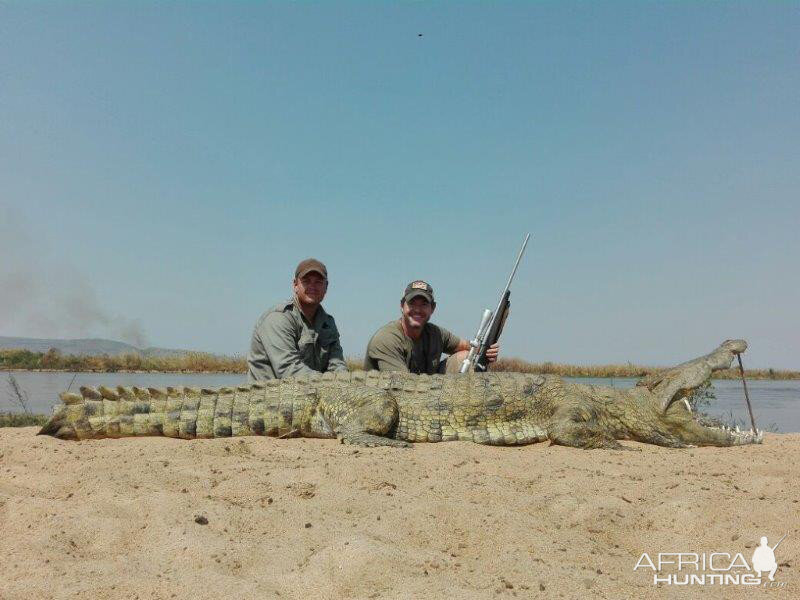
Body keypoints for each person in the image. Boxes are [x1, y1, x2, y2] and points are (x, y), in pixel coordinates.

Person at [364, 280, 499, 374]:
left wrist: (487, 351)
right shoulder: (386, 339)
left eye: (424, 304)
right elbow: (401, 389)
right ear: (402, 306)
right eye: (412, 303)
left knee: (466, 358)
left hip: (425, 395)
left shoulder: (436, 334)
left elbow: (470, 347)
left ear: (432, 308)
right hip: (387, 403)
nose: (417, 309)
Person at [247, 258, 347, 381]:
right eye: (306, 281)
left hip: (308, 392)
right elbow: (288, 370)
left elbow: (337, 365)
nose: (312, 286)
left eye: (318, 282)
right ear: (295, 285)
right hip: (268, 396)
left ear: (326, 286)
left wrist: (344, 381)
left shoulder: (328, 322)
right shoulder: (278, 318)